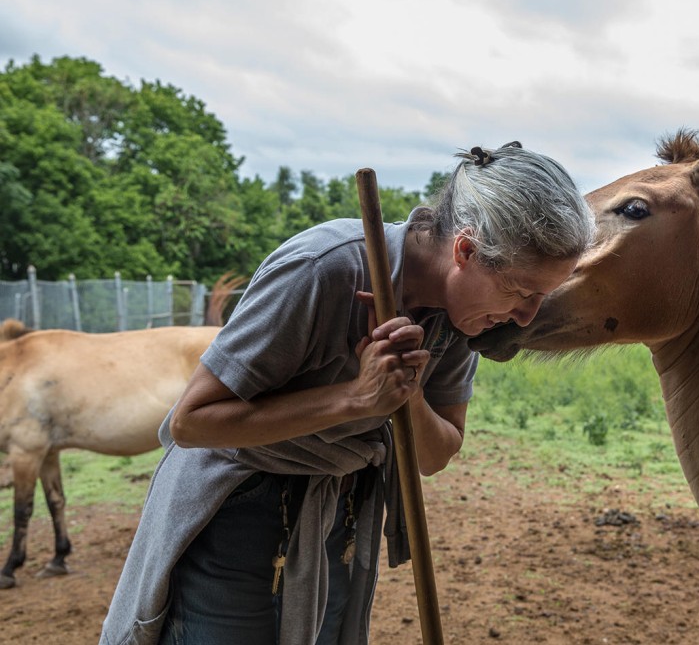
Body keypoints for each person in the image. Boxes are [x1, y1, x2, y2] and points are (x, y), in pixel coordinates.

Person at [99, 141, 594, 645]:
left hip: (340, 514)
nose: (527, 318)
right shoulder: (323, 269)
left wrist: (406, 391)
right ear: (464, 251)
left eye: (543, 297)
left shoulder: (464, 319)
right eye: (523, 292)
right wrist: (355, 399)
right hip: (235, 515)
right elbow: (192, 422)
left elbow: (436, 454)